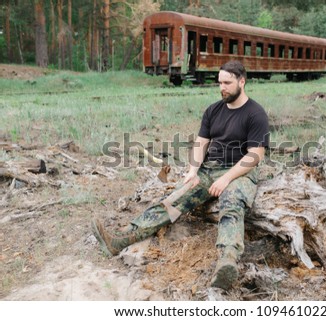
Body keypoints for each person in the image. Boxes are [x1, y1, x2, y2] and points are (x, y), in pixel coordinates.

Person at [91, 60, 269, 290]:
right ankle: (123, 238)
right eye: (219, 83)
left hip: (240, 173)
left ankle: (227, 261)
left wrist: (226, 179)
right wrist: (193, 170)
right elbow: (201, 143)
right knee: (174, 201)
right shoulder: (213, 110)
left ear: (242, 82)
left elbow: (255, 155)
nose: (222, 87)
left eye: (227, 82)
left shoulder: (255, 113)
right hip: (209, 170)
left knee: (232, 201)